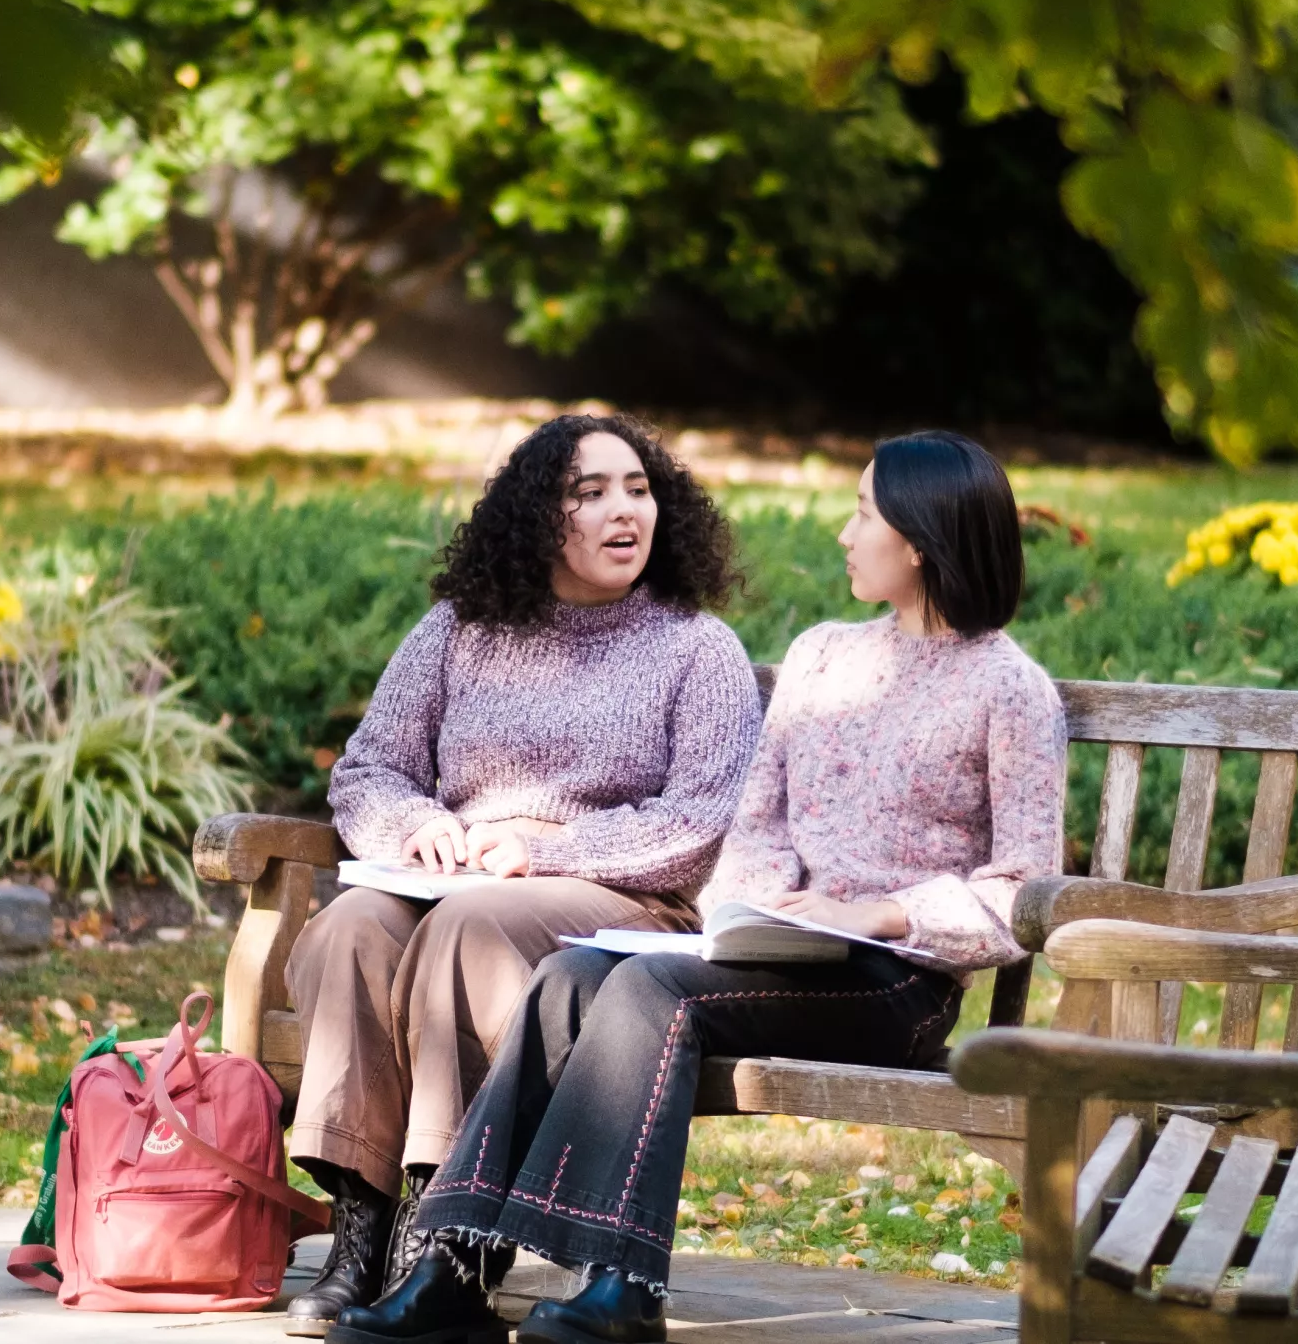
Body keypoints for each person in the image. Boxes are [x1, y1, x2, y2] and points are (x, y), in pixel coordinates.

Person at [330, 432, 1065, 1344]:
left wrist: (886, 912)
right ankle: (454, 1264)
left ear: (916, 540)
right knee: (567, 981)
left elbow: (1026, 892)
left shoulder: (1010, 689)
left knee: (645, 990)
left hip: (898, 983)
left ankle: (623, 1285)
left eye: (863, 513)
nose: (844, 532)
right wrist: (746, 914)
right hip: (775, 956)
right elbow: (751, 834)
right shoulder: (823, 657)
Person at [282, 415, 766, 1334]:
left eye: (638, 488)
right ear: (536, 519)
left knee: (467, 930)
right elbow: (369, 767)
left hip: (620, 906)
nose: (623, 512)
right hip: (458, 884)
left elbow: (700, 824)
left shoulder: (697, 650)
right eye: (588, 493)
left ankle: (445, 1238)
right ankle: (363, 1225)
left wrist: (542, 850)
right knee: (349, 928)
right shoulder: (459, 631)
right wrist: (418, 822)